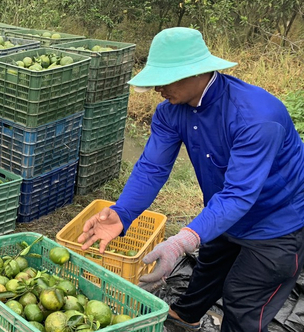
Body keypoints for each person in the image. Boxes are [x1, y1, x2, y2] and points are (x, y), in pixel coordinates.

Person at [78, 27, 304, 331]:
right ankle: (186, 316)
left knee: (243, 297)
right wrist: (122, 213)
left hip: (278, 222)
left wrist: (181, 241)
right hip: (224, 210)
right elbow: (151, 168)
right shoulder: (170, 111)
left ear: (197, 72)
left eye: (164, 79)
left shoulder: (256, 117)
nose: (158, 89)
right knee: (208, 266)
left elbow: (239, 195)